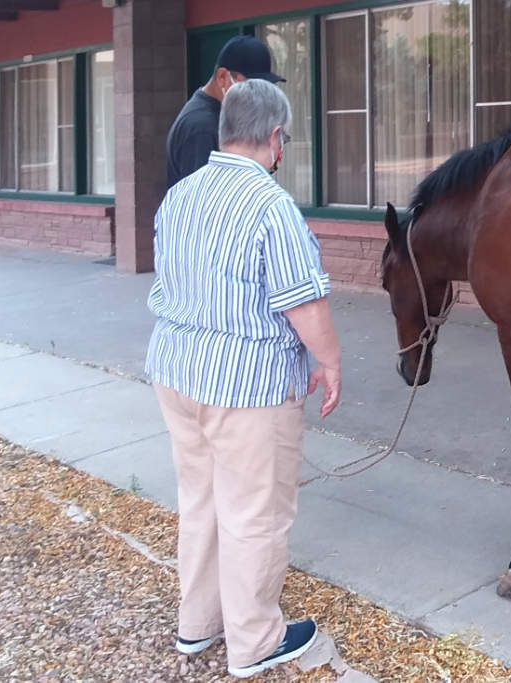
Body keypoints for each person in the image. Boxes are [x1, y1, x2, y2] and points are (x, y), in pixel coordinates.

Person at [146, 79, 342, 679]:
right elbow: (303, 305)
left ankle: (198, 624)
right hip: (248, 387)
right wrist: (329, 363)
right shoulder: (271, 206)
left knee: (201, 499)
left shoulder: (178, 196)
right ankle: (255, 640)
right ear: (275, 138)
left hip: (178, 373)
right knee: (256, 511)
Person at [165, 35, 284, 190]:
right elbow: (205, 200)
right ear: (222, 77)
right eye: (249, 86)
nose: (256, 95)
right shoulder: (202, 127)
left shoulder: (224, 116)